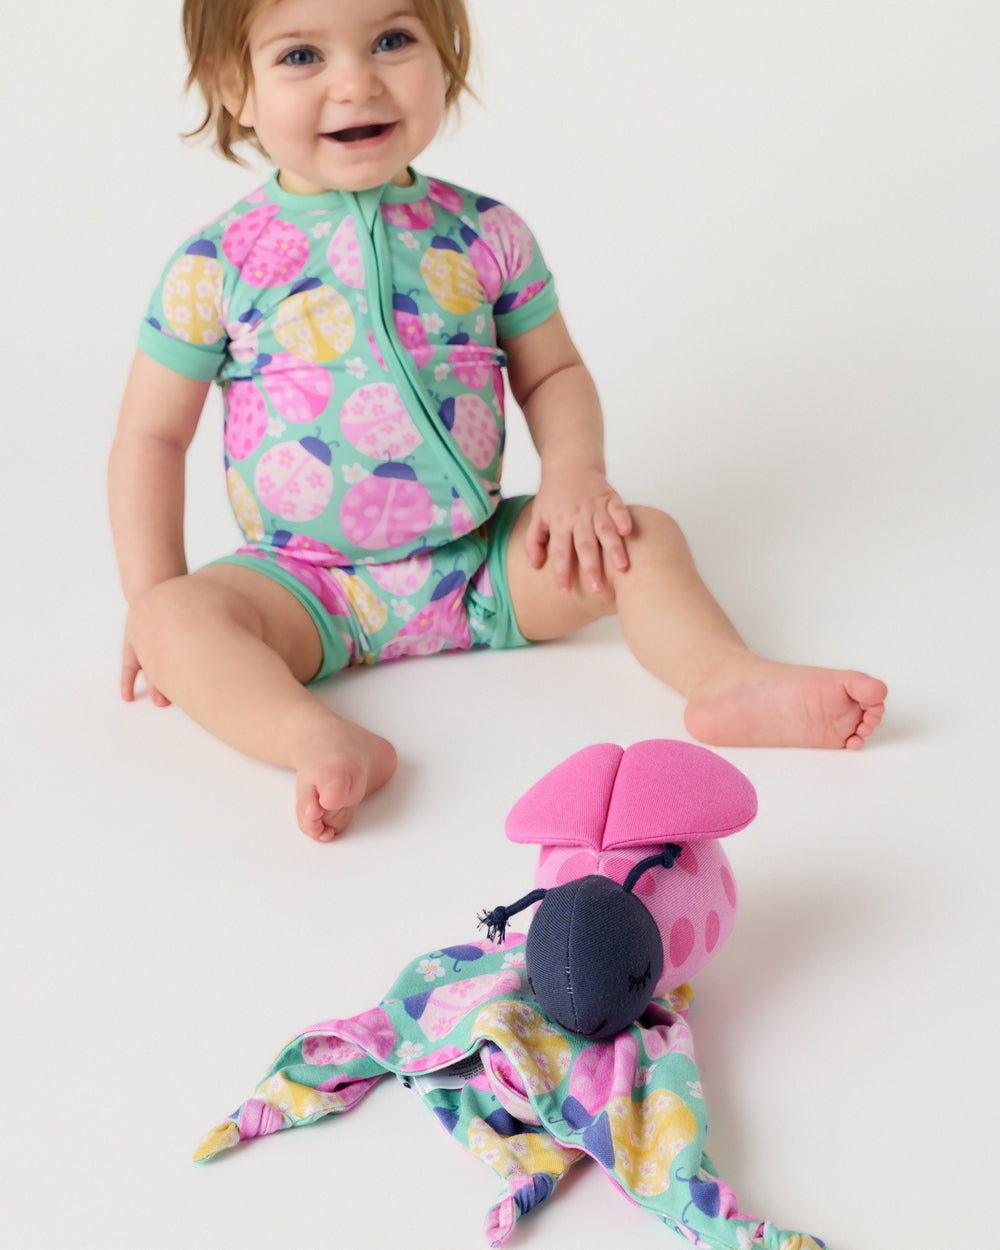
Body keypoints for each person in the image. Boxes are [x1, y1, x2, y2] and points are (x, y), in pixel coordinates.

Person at [108, 0, 887, 843]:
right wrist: (154, 600)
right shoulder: (218, 264)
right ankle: (315, 738)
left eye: (393, 40)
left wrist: (574, 477)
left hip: (485, 565)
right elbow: (152, 438)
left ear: (444, 53)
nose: (356, 81)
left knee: (644, 537)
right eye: (301, 56)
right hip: (308, 584)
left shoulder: (483, 233)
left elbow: (551, 371)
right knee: (174, 618)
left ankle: (726, 677)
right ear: (236, 87)